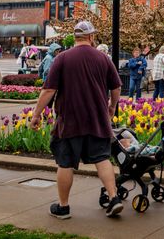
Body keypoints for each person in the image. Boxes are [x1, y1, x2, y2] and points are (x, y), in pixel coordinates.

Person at [29, 20, 124, 220]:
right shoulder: (103, 58)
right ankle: (114, 198)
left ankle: (63, 207)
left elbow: (48, 90)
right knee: (102, 159)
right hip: (97, 118)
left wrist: (37, 114)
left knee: (65, 163)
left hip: (69, 120)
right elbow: (116, 88)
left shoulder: (62, 58)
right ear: (90, 37)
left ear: (75, 37)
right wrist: (112, 106)